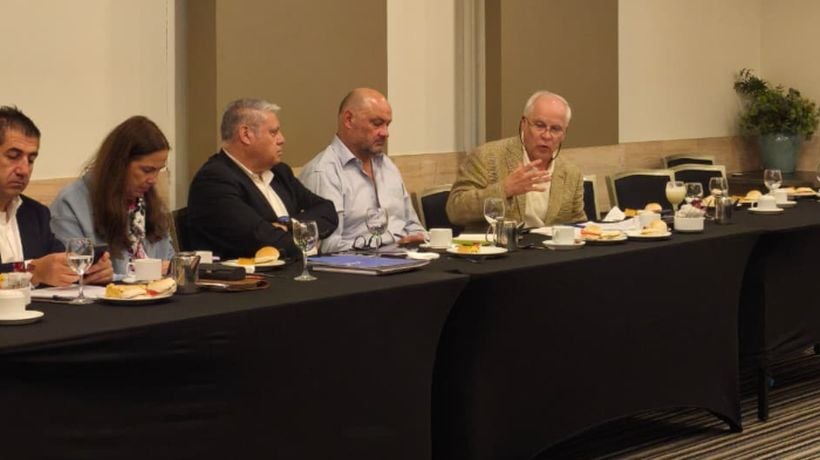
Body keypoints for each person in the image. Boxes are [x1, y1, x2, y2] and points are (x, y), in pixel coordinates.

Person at [187, 98, 337, 259]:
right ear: (246, 135)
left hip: (297, 268)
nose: (281, 139)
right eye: (273, 132)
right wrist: (308, 238)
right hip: (250, 274)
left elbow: (327, 210)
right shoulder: (214, 181)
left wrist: (288, 224)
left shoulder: (280, 172)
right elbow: (265, 241)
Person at [299, 88, 425, 253]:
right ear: (349, 120)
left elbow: (413, 225)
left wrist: (420, 237)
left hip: (407, 259)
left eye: (387, 125)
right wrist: (390, 245)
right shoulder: (324, 172)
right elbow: (328, 247)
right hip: (357, 265)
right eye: (377, 123)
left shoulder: (387, 166)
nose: (385, 133)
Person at [0, 106, 112, 286]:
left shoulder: (36, 214)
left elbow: (58, 265)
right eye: (13, 156)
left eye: (31, 160)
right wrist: (32, 272)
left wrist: (90, 273)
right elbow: (40, 270)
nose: (24, 170)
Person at [50, 116, 174, 277]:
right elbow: (77, 274)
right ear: (119, 165)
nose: (153, 180)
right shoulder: (70, 205)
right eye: (147, 170)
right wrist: (149, 274)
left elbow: (169, 259)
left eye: (159, 170)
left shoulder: (149, 202)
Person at [446, 90, 586, 229]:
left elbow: (579, 225)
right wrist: (504, 189)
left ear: (564, 134)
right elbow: (455, 210)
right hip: (498, 242)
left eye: (555, 129)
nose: (547, 135)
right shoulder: (487, 156)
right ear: (524, 124)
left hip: (551, 244)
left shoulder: (571, 173)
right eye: (539, 125)